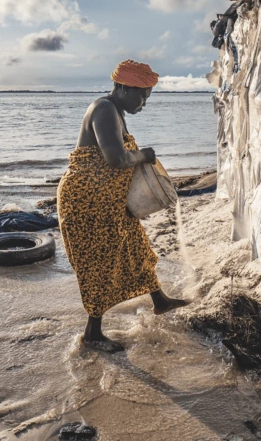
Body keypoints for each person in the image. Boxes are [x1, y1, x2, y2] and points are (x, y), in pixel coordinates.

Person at [57, 59, 189, 352]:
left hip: (107, 200)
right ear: (124, 88)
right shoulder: (104, 110)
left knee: (134, 245)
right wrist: (143, 155)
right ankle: (92, 334)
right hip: (85, 201)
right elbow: (115, 159)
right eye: (143, 96)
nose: (144, 103)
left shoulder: (115, 111)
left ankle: (160, 301)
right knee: (99, 263)